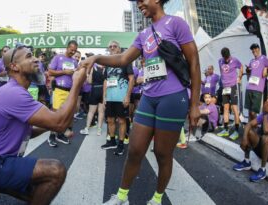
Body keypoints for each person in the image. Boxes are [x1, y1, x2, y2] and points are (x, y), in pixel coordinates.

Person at [83, 0, 200, 204]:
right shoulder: (144, 34)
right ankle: (121, 197)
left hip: (173, 98)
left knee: (163, 154)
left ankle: (156, 199)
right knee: (135, 150)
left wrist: (195, 104)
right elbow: (122, 59)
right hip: (148, 97)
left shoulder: (176, 23)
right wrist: (97, 58)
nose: (138, 4)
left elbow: (194, 62)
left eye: (141, 0)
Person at [0, 45, 89, 205]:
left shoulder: (18, 90)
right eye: (29, 56)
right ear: (14, 66)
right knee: (56, 171)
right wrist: (76, 84)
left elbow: (30, 131)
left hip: (1, 162)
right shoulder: (13, 93)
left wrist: (49, 121)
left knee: (39, 195)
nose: (36, 59)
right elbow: (60, 124)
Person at [233, 92, 268, 182]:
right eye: (267, 98)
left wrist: (265, 114)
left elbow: (267, 131)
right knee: (249, 132)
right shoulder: (265, 113)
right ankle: (246, 161)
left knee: (265, 137)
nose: (267, 100)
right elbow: (249, 124)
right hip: (262, 149)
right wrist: (244, 139)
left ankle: (262, 170)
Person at [100, 40, 134, 156]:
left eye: (115, 46)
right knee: (110, 120)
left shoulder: (125, 61)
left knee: (121, 121)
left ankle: (120, 144)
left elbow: (131, 79)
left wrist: (128, 96)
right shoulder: (108, 64)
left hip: (121, 97)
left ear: (119, 48)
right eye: (110, 47)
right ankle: (112, 141)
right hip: (110, 98)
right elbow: (105, 81)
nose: (112, 48)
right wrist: (104, 97)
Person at [47, 40, 78, 147]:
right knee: (56, 114)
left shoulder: (75, 62)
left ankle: (60, 134)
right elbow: (50, 71)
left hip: (70, 92)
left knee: (67, 115)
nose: (73, 52)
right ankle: (51, 136)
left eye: (75, 51)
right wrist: (64, 72)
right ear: (67, 47)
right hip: (59, 90)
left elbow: (76, 77)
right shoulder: (58, 57)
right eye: (71, 50)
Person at [217, 47, 243, 141]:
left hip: (232, 87)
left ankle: (236, 130)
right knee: (226, 108)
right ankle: (226, 129)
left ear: (229, 55)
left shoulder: (235, 60)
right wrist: (223, 81)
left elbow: (241, 67)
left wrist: (239, 77)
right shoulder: (220, 61)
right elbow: (221, 72)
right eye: (225, 58)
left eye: (227, 57)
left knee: (235, 108)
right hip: (225, 88)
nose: (226, 59)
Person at [245, 43, 268, 121]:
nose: (254, 50)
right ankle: (250, 130)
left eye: (255, 48)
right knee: (249, 111)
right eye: (252, 49)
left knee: (254, 112)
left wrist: (266, 69)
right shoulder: (251, 61)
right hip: (249, 87)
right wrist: (247, 69)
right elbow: (248, 72)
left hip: (258, 89)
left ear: (259, 49)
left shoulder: (263, 58)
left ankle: (255, 128)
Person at [80, 62, 105, 136]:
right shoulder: (105, 68)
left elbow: (89, 81)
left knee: (91, 111)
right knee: (101, 111)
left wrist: (88, 75)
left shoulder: (93, 68)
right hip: (103, 91)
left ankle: (87, 128)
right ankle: (99, 130)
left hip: (94, 90)